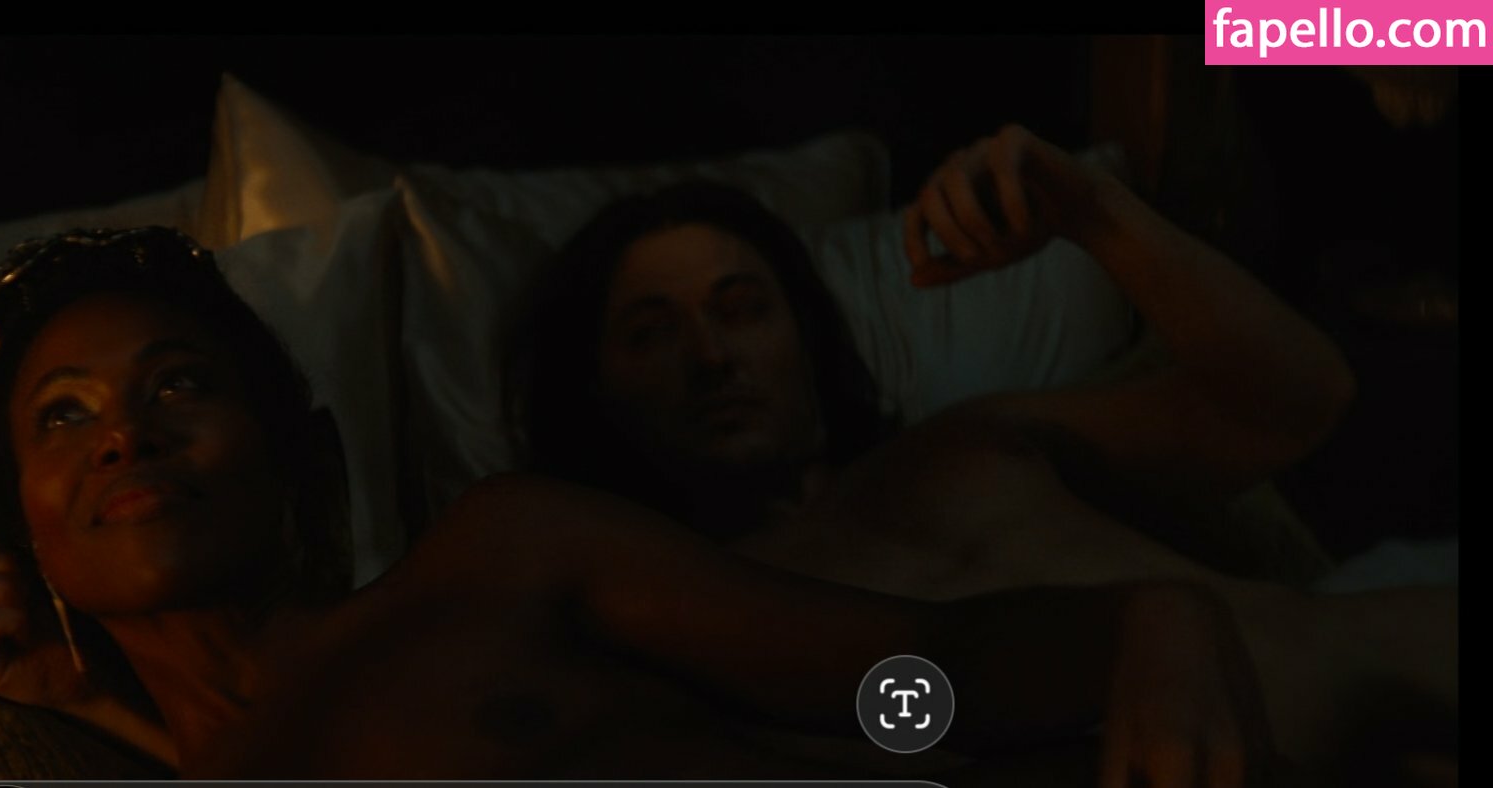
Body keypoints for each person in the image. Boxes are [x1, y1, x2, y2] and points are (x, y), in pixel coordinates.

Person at [0, 227, 1273, 783]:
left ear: (299, 454)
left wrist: (1141, 633)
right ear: (28, 525)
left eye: (179, 383)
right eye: (61, 414)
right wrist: (80, 705)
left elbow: (900, 684)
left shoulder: (496, 564)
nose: (123, 432)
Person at [508, 125, 1457, 783]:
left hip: (1405, 656)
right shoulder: (672, 639)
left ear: (807, 340)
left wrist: (1092, 212)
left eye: (742, 309)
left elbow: (1299, 401)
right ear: (596, 394)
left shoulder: (966, 446)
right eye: (651, 333)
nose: (712, 356)